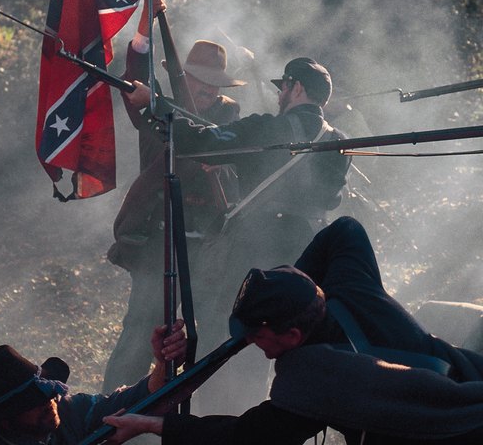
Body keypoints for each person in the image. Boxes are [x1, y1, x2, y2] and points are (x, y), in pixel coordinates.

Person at [100, 217, 483, 445]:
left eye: (258, 334)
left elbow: (246, 438)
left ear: (293, 337)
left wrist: (150, 424)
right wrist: (291, 286)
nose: (250, 341)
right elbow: (345, 230)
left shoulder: (313, 380)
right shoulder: (349, 290)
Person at [124, 56, 351, 413]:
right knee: (272, 350)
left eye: (285, 86)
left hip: (251, 257)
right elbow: (329, 197)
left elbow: (202, 140)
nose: (280, 95)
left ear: (298, 88)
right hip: (302, 265)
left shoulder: (270, 129)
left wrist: (154, 104)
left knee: (224, 341)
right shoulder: (338, 144)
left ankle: (212, 422)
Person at [104, 0, 245, 393]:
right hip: (159, 243)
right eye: (201, 84)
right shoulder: (156, 110)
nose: (208, 92)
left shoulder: (226, 120)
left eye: (214, 86)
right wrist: (146, 22)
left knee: (201, 336)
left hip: (209, 248)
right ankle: (112, 412)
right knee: (140, 332)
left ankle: (180, 415)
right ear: (186, 79)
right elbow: (134, 80)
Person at [0, 320, 186, 445]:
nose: (48, 401)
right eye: (30, 403)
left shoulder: (69, 410)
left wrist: (164, 362)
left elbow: (144, 396)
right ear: (5, 421)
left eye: (44, 393)